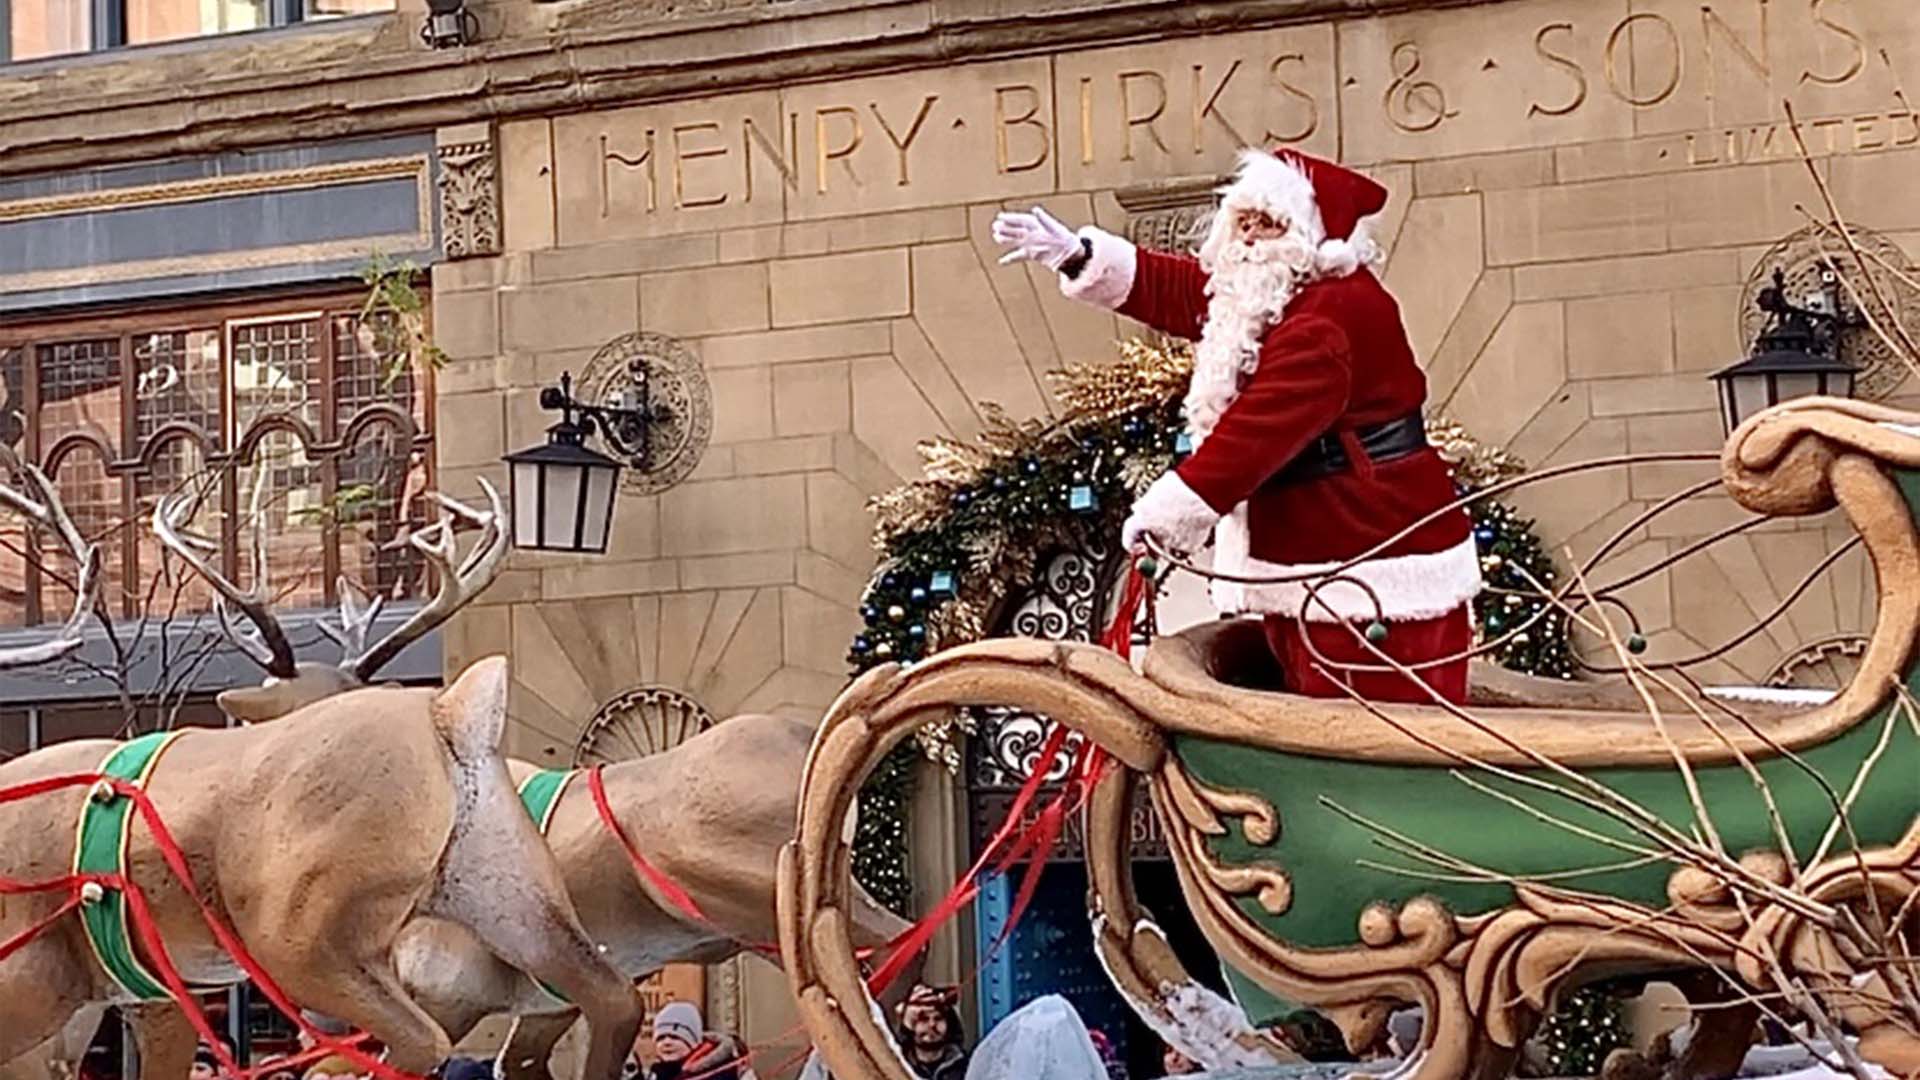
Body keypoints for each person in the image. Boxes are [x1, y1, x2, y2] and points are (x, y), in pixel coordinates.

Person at [994, 149, 1479, 705]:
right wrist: (1081, 256)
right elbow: (1193, 294)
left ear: (1313, 236)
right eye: (1241, 222)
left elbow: (1253, 437)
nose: (1248, 238)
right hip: (1325, 559)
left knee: (1370, 731)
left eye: (1266, 224)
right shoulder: (1286, 291)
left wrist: (1168, 515)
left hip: (1367, 568)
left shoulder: (1326, 322)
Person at [638, 1001, 746, 1080]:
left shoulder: (725, 1071)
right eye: (661, 1038)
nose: (667, 1042)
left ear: (693, 1042)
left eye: (675, 1037)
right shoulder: (654, 1075)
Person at [893, 984, 968, 1080]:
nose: (932, 1024)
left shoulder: (966, 1067)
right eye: (924, 1019)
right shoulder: (897, 1065)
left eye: (938, 1018)